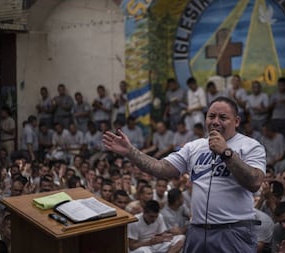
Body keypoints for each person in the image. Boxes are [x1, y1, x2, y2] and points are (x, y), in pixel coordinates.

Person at [103, 96, 266, 253]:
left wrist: (226, 153)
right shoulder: (195, 147)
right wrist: (130, 151)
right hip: (197, 231)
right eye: (211, 116)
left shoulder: (250, 146)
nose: (216, 121)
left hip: (233, 231)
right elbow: (160, 168)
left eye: (223, 117)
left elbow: (255, 182)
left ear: (236, 121)